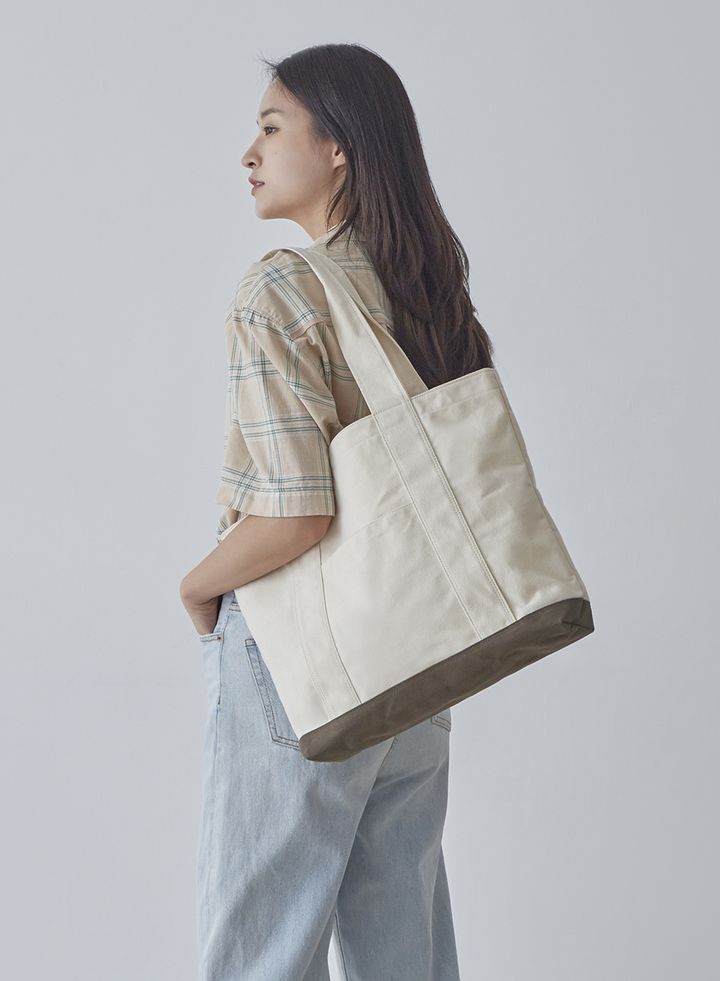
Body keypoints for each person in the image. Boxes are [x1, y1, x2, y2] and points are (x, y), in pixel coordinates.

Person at [180, 42, 495, 981]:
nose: (249, 152)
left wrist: (198, 587)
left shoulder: (283, 289)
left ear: (339, 149)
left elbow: (295, 516)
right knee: (405, 939)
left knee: (261, 949)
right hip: (419, 656)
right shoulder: (430, 294)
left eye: (272, 127)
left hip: (301, 656)